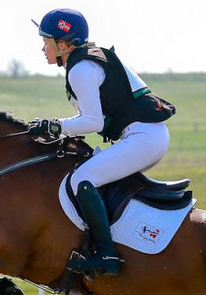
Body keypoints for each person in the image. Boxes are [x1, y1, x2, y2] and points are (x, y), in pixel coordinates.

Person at [30, 8, 176, 276]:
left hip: (143, 138)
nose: (42, 48)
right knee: (86, 174)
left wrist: (55, 125)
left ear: (63, 45)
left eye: (45, 42)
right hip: (146, 136)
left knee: (82, 180)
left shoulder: (81, 69)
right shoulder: (88, 61)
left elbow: (93, 122)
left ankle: (107, 254)